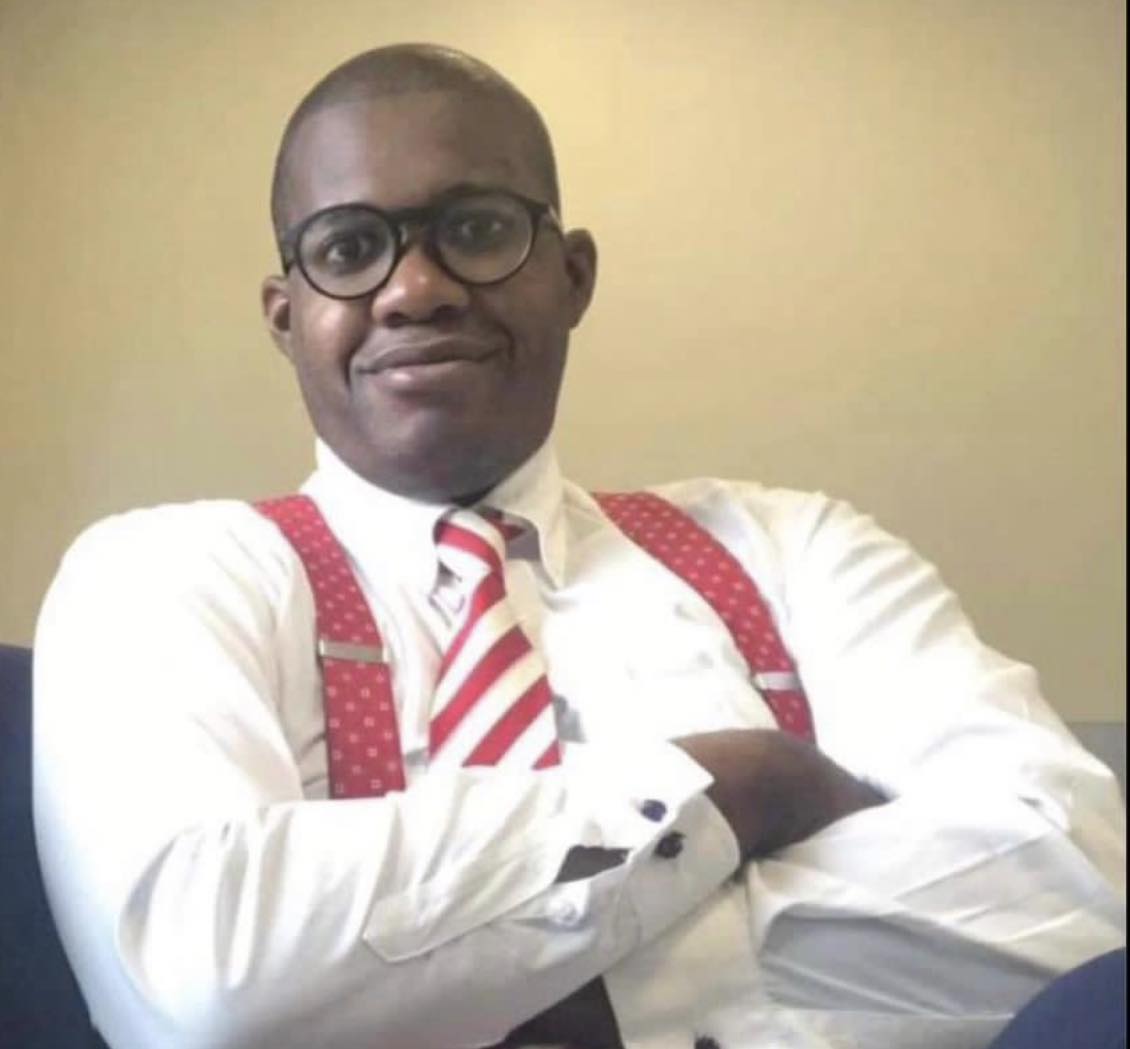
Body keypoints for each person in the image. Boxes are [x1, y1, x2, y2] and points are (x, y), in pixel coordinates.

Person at [33, 43, 1124, 1049]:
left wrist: (579, 995)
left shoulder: (796, 550)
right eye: (349, 249)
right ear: (286, 316)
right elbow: (204, 986)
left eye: (476, 228)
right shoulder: (164, 574)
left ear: (573, 275)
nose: (414, 289)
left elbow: (1079, 893)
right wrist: (742, 784)